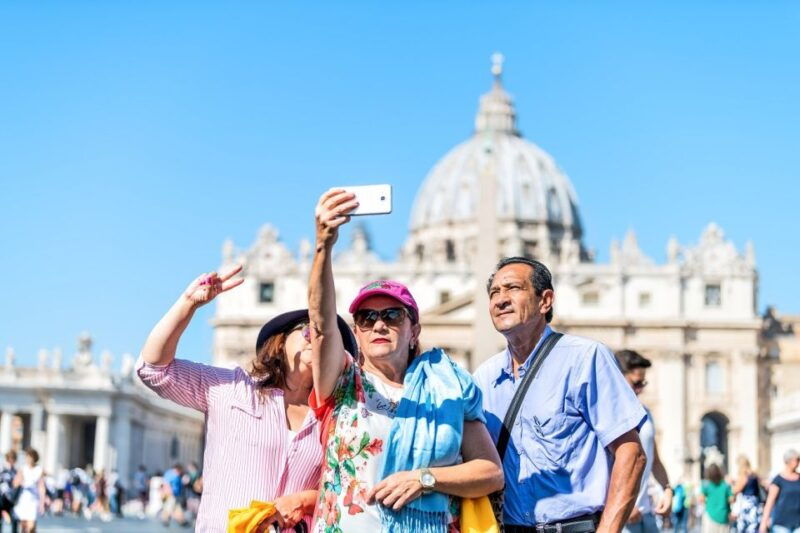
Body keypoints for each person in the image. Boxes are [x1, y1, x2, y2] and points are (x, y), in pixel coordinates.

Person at [308, 189, 505, 532]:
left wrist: (425, 479)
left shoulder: (448, 390)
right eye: (367, 318)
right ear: (355, 332)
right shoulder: (342, 383)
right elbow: (322, 326)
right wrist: (323, 246)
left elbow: (491, 472)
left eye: (392, 315)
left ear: (414, 330)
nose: (378, 325)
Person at [138, 264, 358, 532]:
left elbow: (348, 488)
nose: (319, 340)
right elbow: (154, 369)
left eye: (330, 340)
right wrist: (188, 304)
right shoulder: (232, 387)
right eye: (310, 331)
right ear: (280, 342)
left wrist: (305, 500)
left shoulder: (338, 417)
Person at [473, 256, 647, 533]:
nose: (500, 299)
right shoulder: (484, 378)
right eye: (494, 292)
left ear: (545, 301)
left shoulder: (585, 358)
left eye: (513, 288)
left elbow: (632, 453)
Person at [614, 349, 673, 533]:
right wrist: (624, 503)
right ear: (618, 377)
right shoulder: (609, 413)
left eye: (643, 383)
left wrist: (667, 489)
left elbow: (654, 459)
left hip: (646, 513)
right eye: (636, 383)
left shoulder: (645, 413)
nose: (641, 389)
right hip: (621, 516)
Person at [759, 449, 800, 533]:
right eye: (797, 459)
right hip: (781, 523)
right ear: (788, 461)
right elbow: (770, 502)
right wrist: (764, 523)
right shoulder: (778, 480)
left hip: (798, 522)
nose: (798, 462)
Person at [12, 449, 45, 533]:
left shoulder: (39, 469)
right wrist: (20, 481)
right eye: (27, 457)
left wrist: (42, 503)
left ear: (35, 458)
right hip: (23, 499)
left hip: (33, 500)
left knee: (31, 526)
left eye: (30, 457)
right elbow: (15, 483)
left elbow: (41, 487)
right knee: (23, 526)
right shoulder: (22, 468)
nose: (29, 459)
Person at [699, 463, 733, 533]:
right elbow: (732, 499)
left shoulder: (706, 485)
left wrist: (709, 502)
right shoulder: (725, 485)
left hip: (710, 516)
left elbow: (701, 499)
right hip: (723, 516)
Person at [733, 456, 763, 533]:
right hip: (755, 503)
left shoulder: (744, 475)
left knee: (746, 527)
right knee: (754, 527)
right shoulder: (754, 474)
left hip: (747, 504)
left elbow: (736, 490)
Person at [0, 451, 19, 533]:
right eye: (9, 460)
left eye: (13, 460)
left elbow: (18, 487)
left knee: (15, 520)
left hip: (12, 500)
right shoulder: (2, 471)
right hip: (2, 499)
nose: (11, 462)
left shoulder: (16, 472)